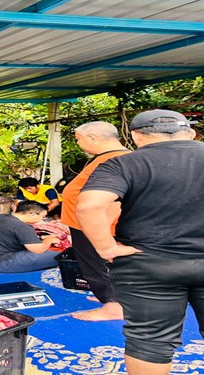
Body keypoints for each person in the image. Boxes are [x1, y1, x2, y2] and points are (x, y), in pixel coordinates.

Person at [77, 109, 204, 375]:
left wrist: (106, 248)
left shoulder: (123, 164)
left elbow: (89, 206)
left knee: (150, 341)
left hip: (147, 264)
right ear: (191, 133)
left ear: (136, 136)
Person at [60, 121, 130, 321]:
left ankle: (113, 305)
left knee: (96, 263)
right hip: (88, 221)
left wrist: (101, 226)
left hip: (94, 223)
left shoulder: (115, 160)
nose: (78, 143)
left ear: (92, 138)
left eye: (78, 139)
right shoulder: (112, 157)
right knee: (102, 262)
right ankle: (114, 298)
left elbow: (116, 198)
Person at [0, 200, 60, 273]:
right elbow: (38, 250)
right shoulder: (22, 226)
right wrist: (49, 240)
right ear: (32, 214)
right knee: (58, 257)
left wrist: (42, 238)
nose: (42, 219)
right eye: (43, 216)